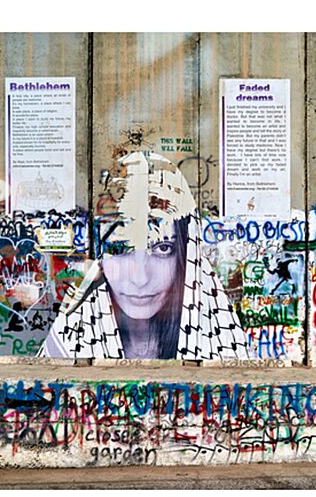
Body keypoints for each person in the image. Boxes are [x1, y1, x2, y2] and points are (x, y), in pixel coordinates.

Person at [40, 151, 249, 361]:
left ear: (187, 256)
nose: (140, 278)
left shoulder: (217, 341)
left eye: (163, 248)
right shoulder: (73, 334)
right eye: (120, 247)